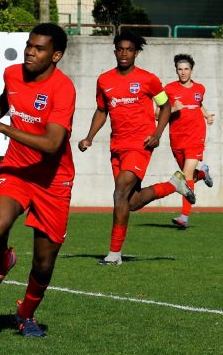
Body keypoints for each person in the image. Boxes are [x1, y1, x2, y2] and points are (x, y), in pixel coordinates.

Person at [0, 23, 75, 338]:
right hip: (17, 168)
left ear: (55, 56)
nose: (30, 51)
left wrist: (3, 130)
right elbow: (5, 101)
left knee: (43, 264)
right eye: (29, 45)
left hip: (53, 180)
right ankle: (2, 263)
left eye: (39, 48)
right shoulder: (13, 73)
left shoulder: (63, 88)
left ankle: (26, 315)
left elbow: (53, 144)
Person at [77, 31, 196, 266]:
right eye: (120, 49)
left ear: (136, 53)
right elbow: (102, 110)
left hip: (140, 144)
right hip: (117, 146)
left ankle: (114, 254)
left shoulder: (147, 79)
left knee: (120, 191)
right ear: (115, 52)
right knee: (130, 202)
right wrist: (89, 137)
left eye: (129, 50)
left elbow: (165, 105)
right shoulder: (104, 80)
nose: (124, 53)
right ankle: (173, 184)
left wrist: (157, 134)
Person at [160, 54, 214, 228]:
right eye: (180, 69)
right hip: (176, 138)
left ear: (191, 70)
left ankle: (184, 216)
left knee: (186, 175)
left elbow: (198, 104)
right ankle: (203, 174)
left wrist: (206, 115)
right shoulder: (168, 89)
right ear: (176, 70)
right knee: (186, 177)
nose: (183, 72)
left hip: (196, 136)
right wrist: (173, 109)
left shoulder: (200, 88)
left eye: (186, 69)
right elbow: (156, 114)